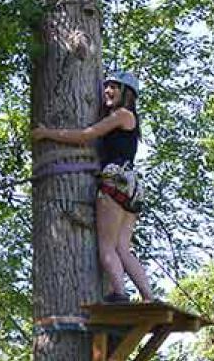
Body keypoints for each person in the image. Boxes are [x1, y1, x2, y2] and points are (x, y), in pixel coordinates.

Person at [32, 72, 153, 303]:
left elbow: (86, 135)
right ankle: (148, 296)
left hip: (115, 179)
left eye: (114, 87)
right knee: (122, 248)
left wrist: (47, 133)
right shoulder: (129, 120)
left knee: (106, 246)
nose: (107, 91)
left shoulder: (121, 115)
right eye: (106, 87)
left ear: (127, 93)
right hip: (131, 185)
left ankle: (119, 292)